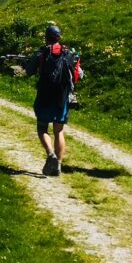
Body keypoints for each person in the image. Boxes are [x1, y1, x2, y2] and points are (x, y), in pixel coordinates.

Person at [25, 24, 81, 176]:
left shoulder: (42, 52)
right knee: (59, 131)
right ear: (59, 37)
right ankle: (58, 166)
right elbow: (79, 75)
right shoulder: (69, 53)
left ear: (46, 37)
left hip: (45, 95)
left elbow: (28, 71)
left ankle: (51, 155)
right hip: (62, 97)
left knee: (42, 127)